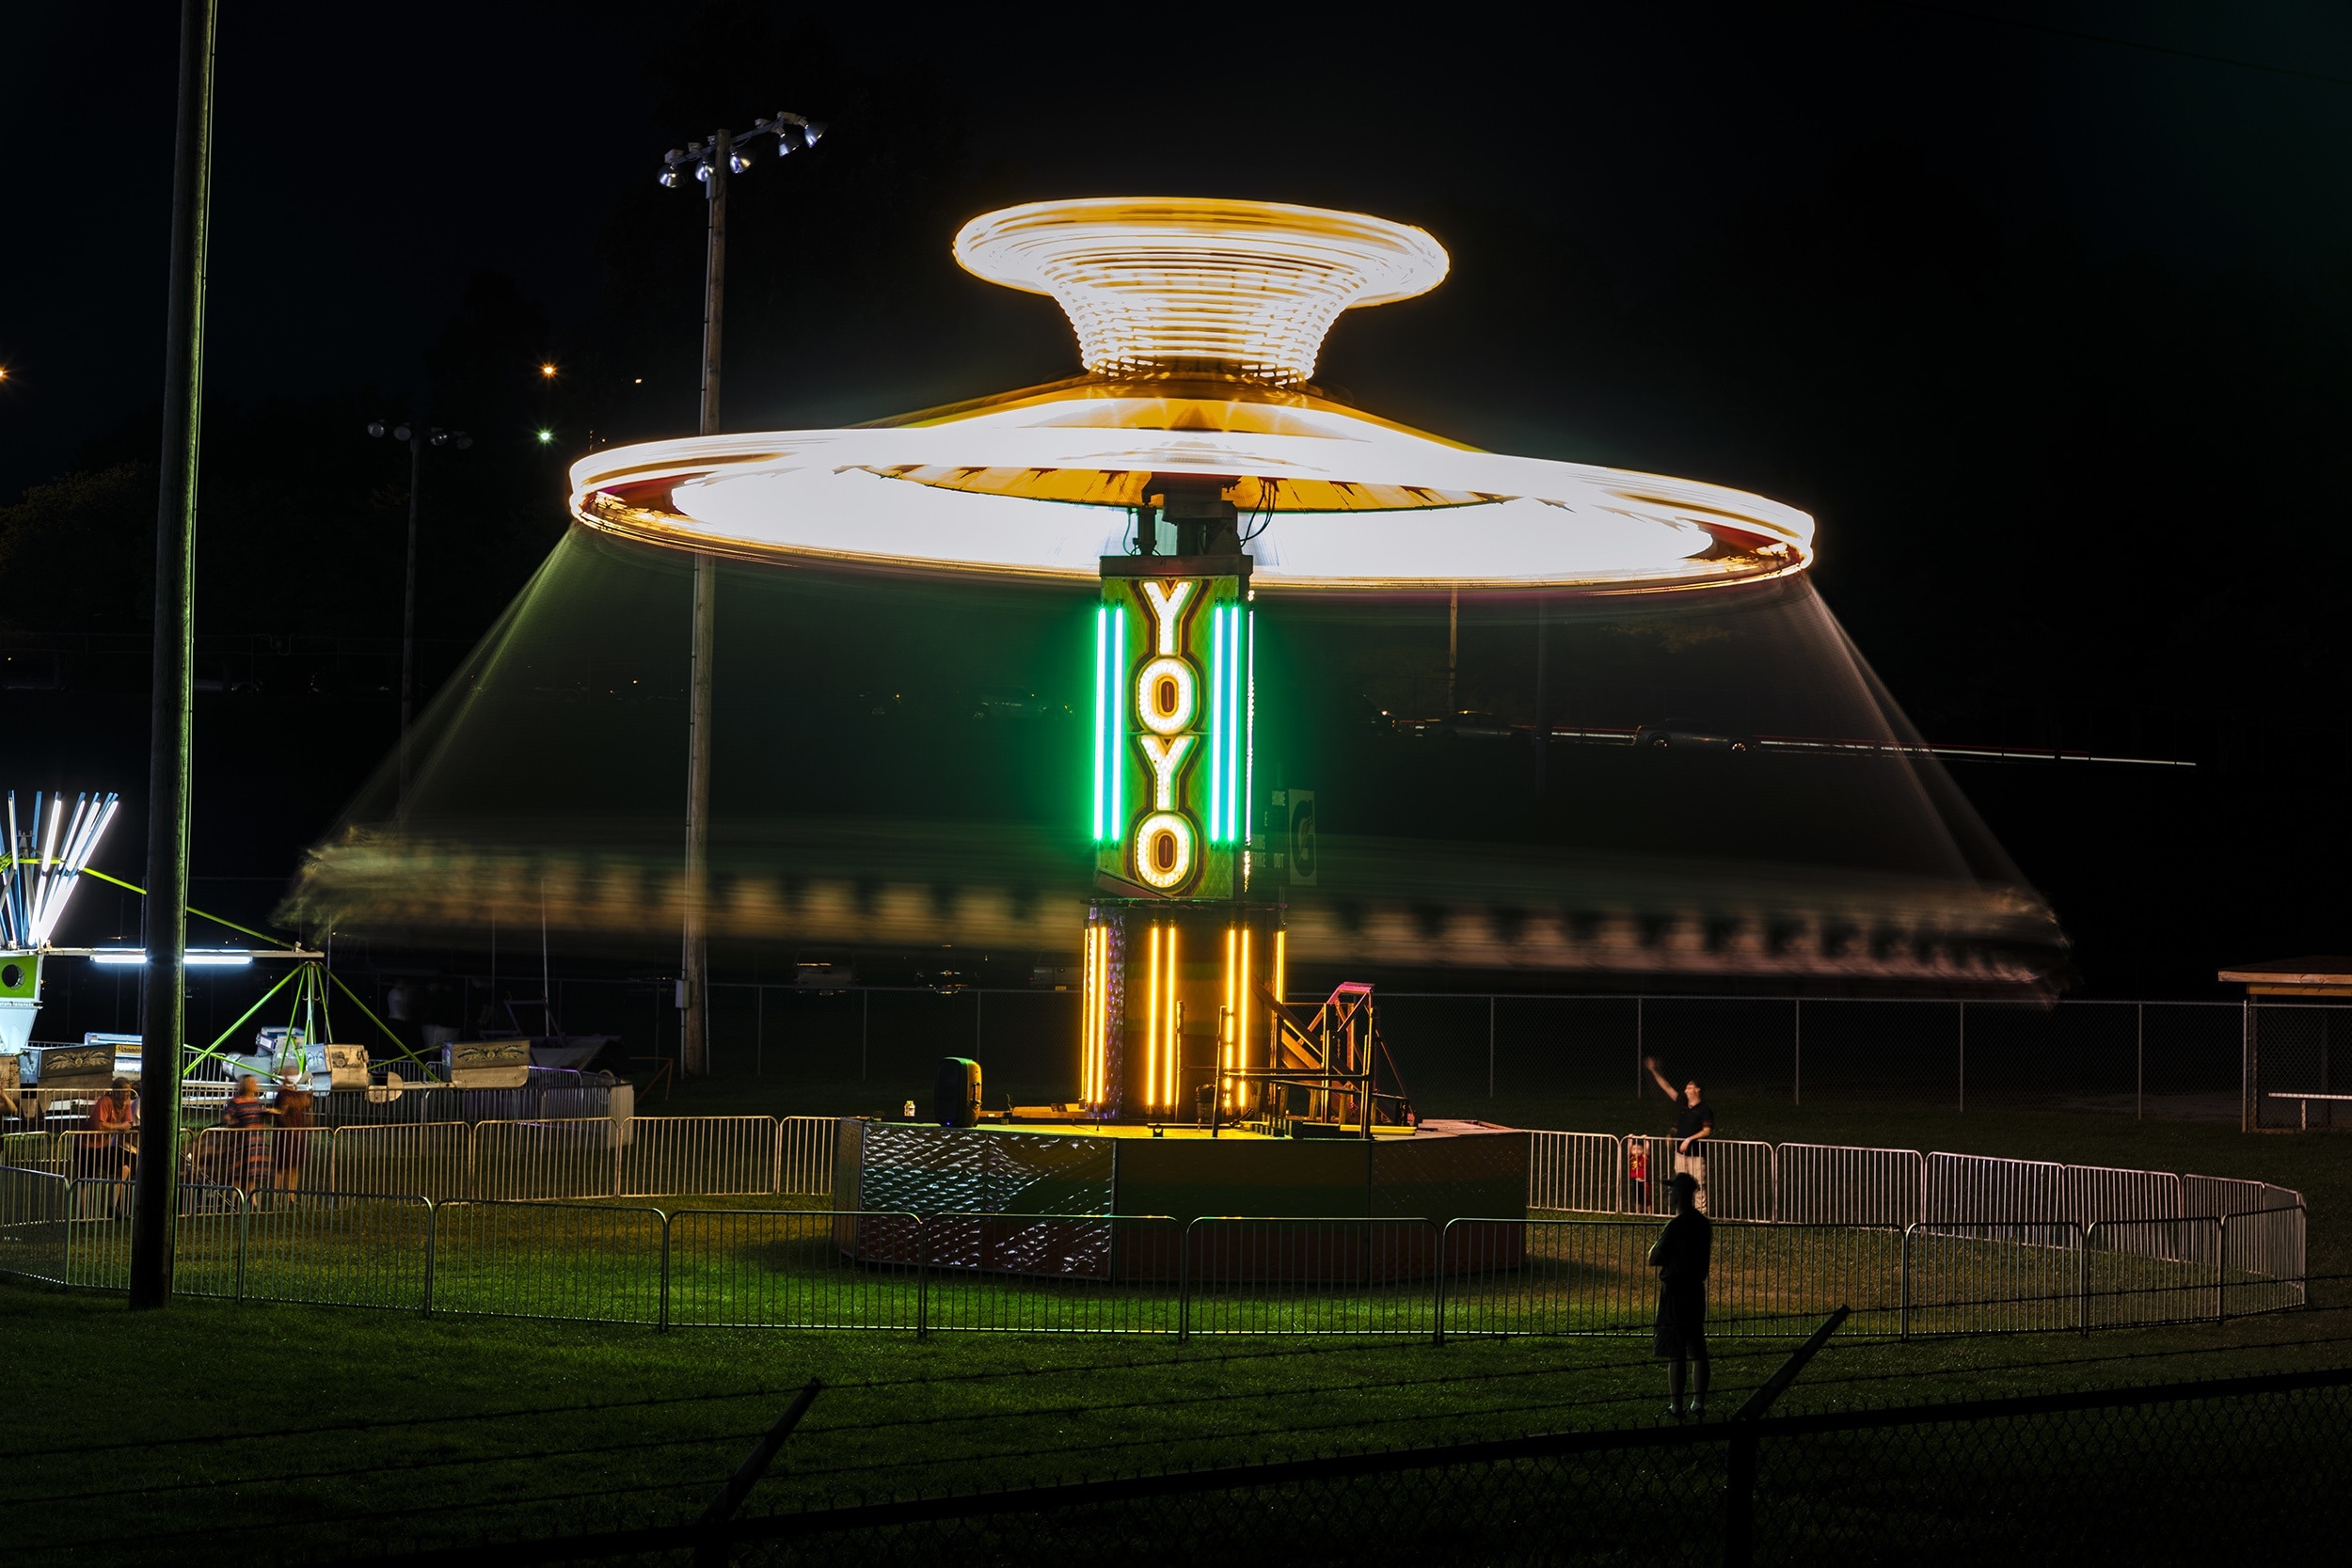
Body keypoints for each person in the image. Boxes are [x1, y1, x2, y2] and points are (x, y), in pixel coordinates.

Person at [1648, 1170, 1713, 1420]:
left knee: (1676, 1350)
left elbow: (1654, 1257)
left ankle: (1676, 1405)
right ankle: (1698, 1403)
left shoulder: (1675, 1225)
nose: (1668, 1194)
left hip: (1675, 1292)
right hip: (1695, 1289)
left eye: (1671, 1190)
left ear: (1678, 1194)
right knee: (1697, 1348)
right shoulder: (1702, 1224)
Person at [1645, 1055, 1713, 1214]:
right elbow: (1667, 1087)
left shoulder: (1704, 1109)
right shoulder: (1683, 1104)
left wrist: (1689, 1139)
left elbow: (1707, 1131)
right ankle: (1682, 1212)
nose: (1686, 1089)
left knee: (1698, 1184)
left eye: (1690, 1087)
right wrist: (1653, 1071)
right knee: (1680, 1183)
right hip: (1680, 1153)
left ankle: (1701, 1214)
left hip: (1696, 1154)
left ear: (1698, 1090)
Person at [221, 1074, 274, 1196]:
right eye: (252, 1082)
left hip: (255, 1142)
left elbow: (258, 1115)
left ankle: (252, 1197)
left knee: (253, 1170)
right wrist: (232, 1122)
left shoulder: (256, 1102)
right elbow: (226, 1117)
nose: (255, 1084)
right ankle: (234, 1197)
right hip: (241, 1142)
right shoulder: (236, 1102)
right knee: (238, 1170)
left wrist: (267, 1114)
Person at [80, 1077, 139, 1185]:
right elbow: (100, 1125)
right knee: (86, 1180)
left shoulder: (125, 1104)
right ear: (116, 1092)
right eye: (124, 1092)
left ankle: (115, 1201)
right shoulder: (105, 1101)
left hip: (103, 1145)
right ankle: (82, 1201)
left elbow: (128, 1123)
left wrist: (124, 1126)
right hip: (87, 1145)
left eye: (129, 1092)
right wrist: (120, 1126)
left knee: (123, 1168)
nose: (127, 1095)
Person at [272, 1076, 315, 1192]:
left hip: (290, 1133)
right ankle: (286, 1193)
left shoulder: (286, 1095)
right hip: (294, 1133)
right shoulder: (295, 1096)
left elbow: (280, 1113)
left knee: (286, 1166)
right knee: (289, 1166)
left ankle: (282, 1193)